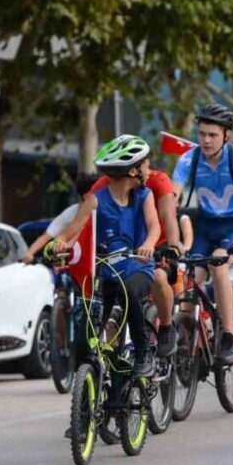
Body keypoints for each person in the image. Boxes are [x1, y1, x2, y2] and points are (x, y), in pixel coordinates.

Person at [48, 136, 160, 379]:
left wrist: (149, 244)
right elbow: (74, 228)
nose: (149, 170)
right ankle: (90, 389)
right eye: (145, 165)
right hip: (107, 273)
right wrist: (60, 241)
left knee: (129, 293)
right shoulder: (95, 199)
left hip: (139, 269)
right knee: (87, 332)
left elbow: (154, 227)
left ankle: (142, 353)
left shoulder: (145, 196)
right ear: (133, 170)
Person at [171, 103, 233, 365]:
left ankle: (229, 338)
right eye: (202, 133)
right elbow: (170, 201)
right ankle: (196, 333)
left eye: (212, 135)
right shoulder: (188, 159)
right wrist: (169, 240)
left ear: (226, 135)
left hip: (231, 228)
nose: (205, 140)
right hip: (205, 228)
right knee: (187, 280)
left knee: (219, 266)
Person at [88, 150, 183, 357]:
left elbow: (168, 216)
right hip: (124, 250)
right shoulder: (109, 182)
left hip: (158, 246)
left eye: (148, 166)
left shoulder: (158, 181)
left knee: (158, 276)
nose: (147, 172)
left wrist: (174, 246)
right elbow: (86, 210)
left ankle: (166, 326)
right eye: (144, 167)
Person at [23, 173, 98, 264]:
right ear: (86, 196)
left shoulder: (104, 213)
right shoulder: (71, 213)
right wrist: (29, 253)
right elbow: (47, 236)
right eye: (98, 193)